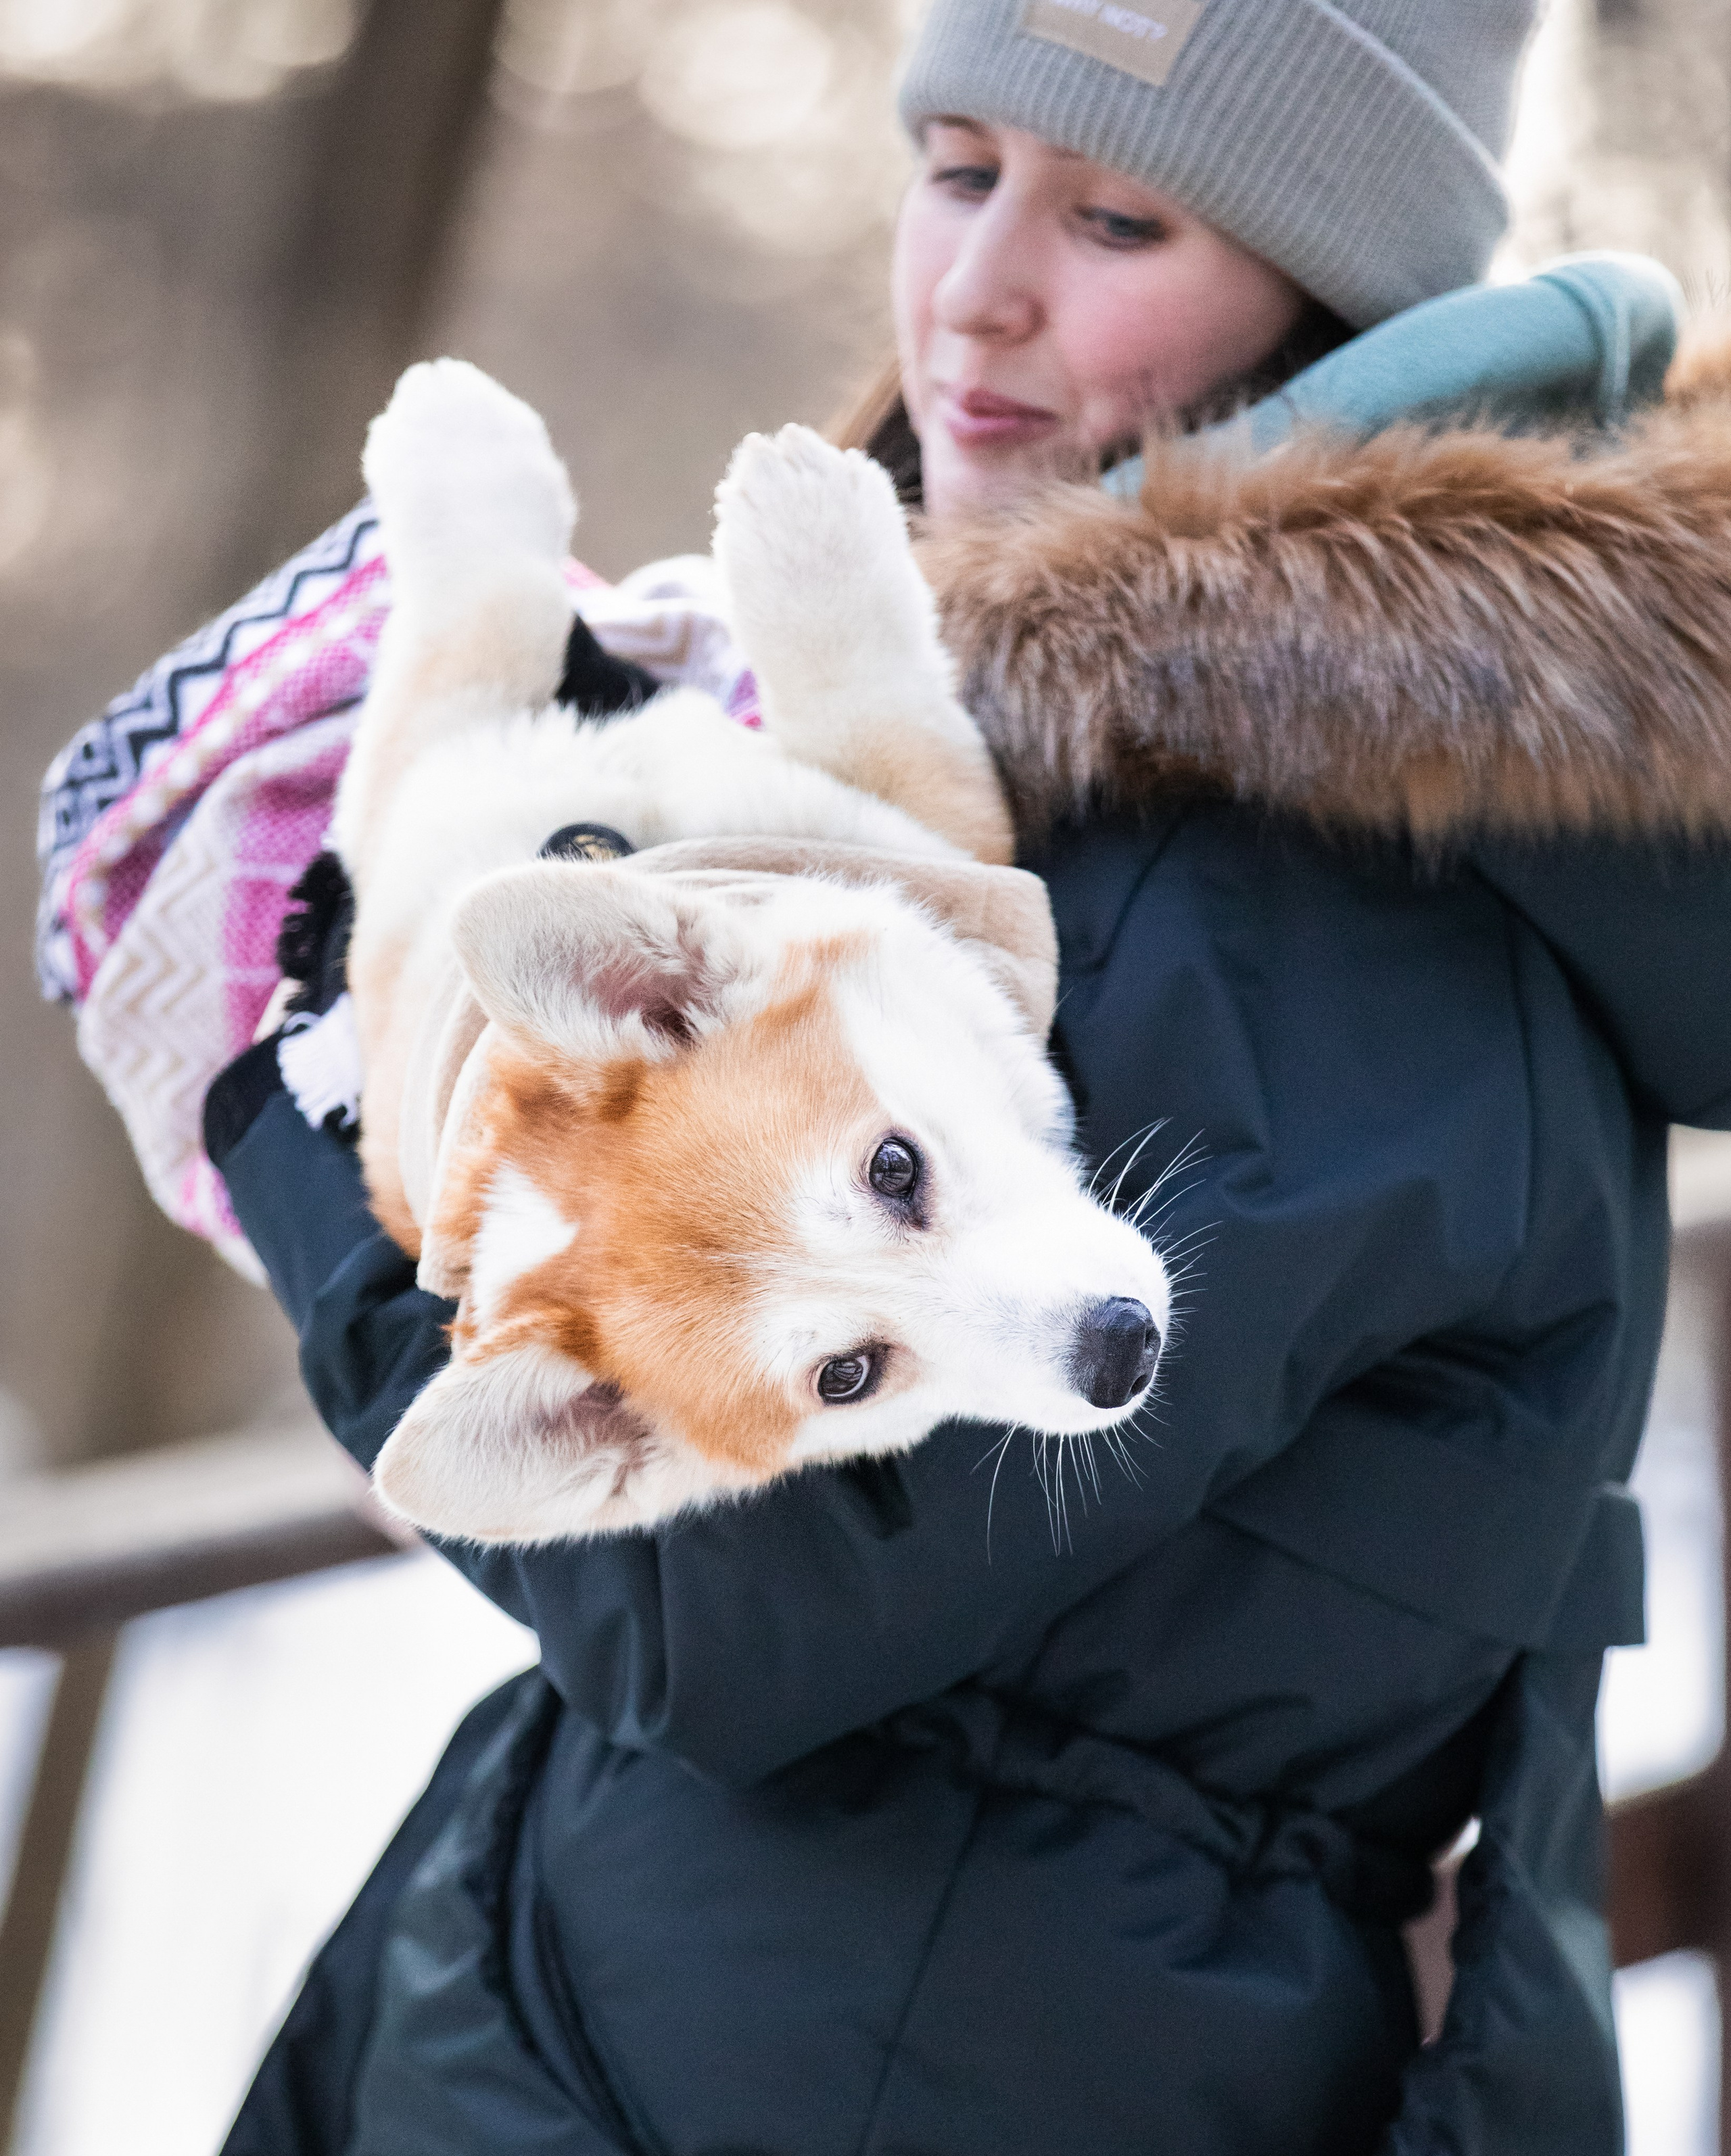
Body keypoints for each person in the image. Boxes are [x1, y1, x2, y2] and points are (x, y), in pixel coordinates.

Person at [42, 1, 1731, 2149]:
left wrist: (312, 1122)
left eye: (1116, 213)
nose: (978, 288)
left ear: (1341, 298)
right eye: (956, 168)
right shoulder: (1104, 779)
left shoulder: (1323, 910)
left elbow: (713, 1612)